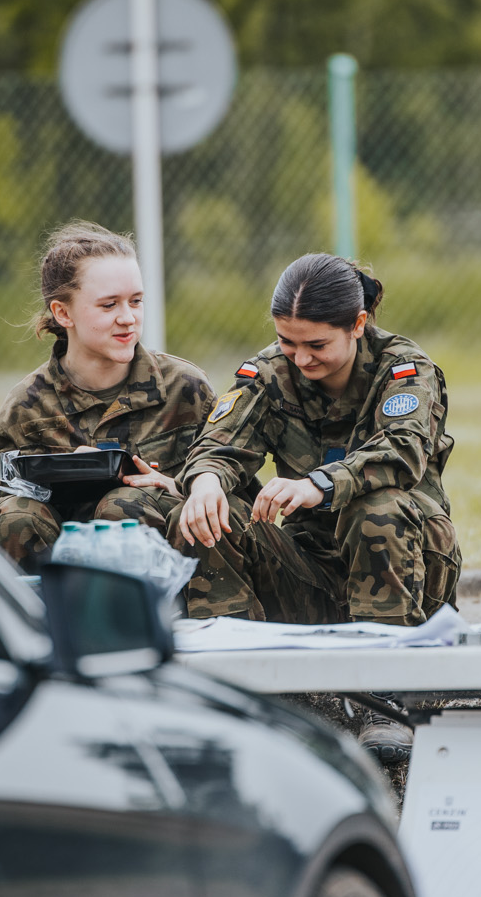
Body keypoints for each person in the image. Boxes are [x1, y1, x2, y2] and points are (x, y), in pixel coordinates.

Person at [172, 253, 461, 628]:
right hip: (311, 571)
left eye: (317, 345)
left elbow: (402, 449)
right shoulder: (270, 373)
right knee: (205, 513)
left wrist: (318, 484)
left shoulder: (403, 369)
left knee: (375, 507)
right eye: (287, 341)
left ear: (357, 325)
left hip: (409, 567)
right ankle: (236, 664)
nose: (301, 358)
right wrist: (206, 481)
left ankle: (386, 668)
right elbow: (219, 444)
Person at [0, 222, 216, 570]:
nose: (128, 318)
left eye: (136, 301)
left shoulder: (185, 388)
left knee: (125, 505)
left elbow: (238, 501)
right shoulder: (25, 409)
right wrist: (68, 475)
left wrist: (178, 487)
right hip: (61, 582)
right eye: (109, 306)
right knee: (17, 517)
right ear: (63, 313)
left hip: (174, 585)